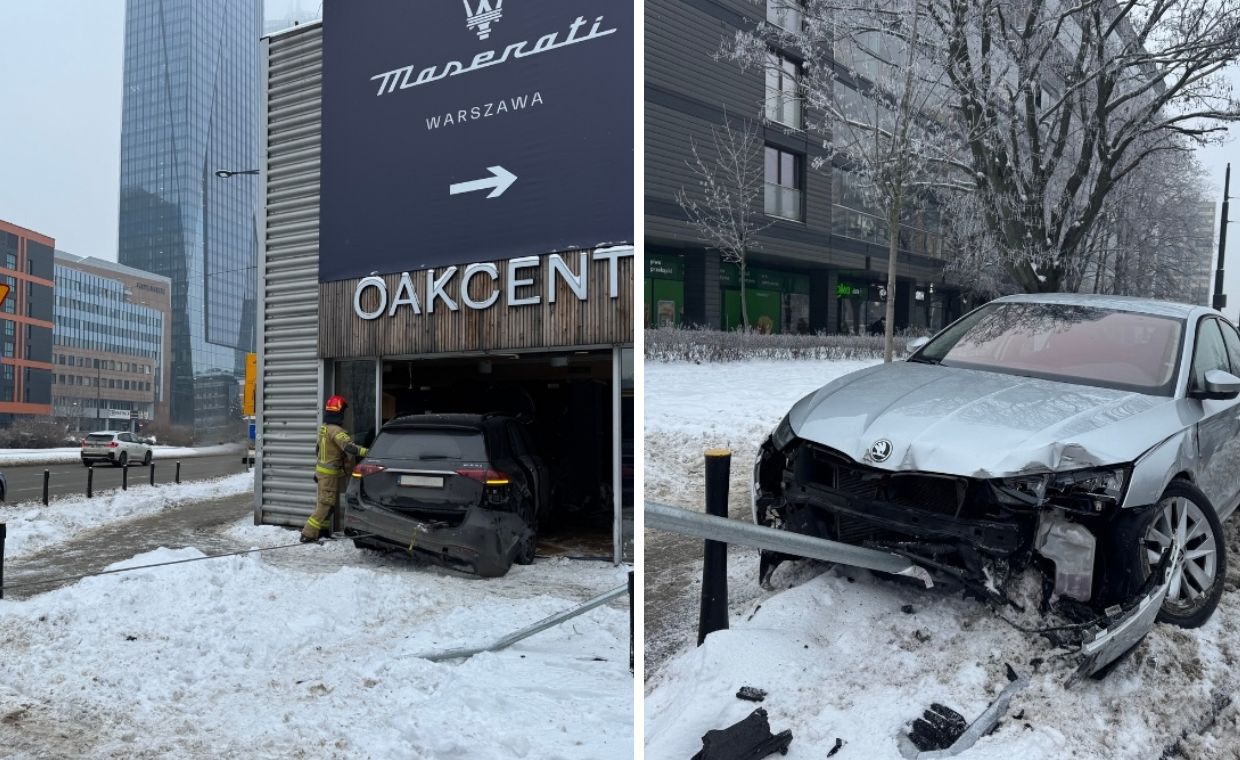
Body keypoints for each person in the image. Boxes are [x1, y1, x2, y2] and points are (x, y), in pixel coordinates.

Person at [301, 395, 369, 543]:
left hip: (322, 474)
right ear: (339, 413)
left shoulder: (324, 428)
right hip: (328, 476)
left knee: (329, 504)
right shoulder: (337, 431)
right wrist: (368, 452)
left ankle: (323, 532)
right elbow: (350, 448)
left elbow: (318, 450)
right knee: (325, 505)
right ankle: (307, 534)